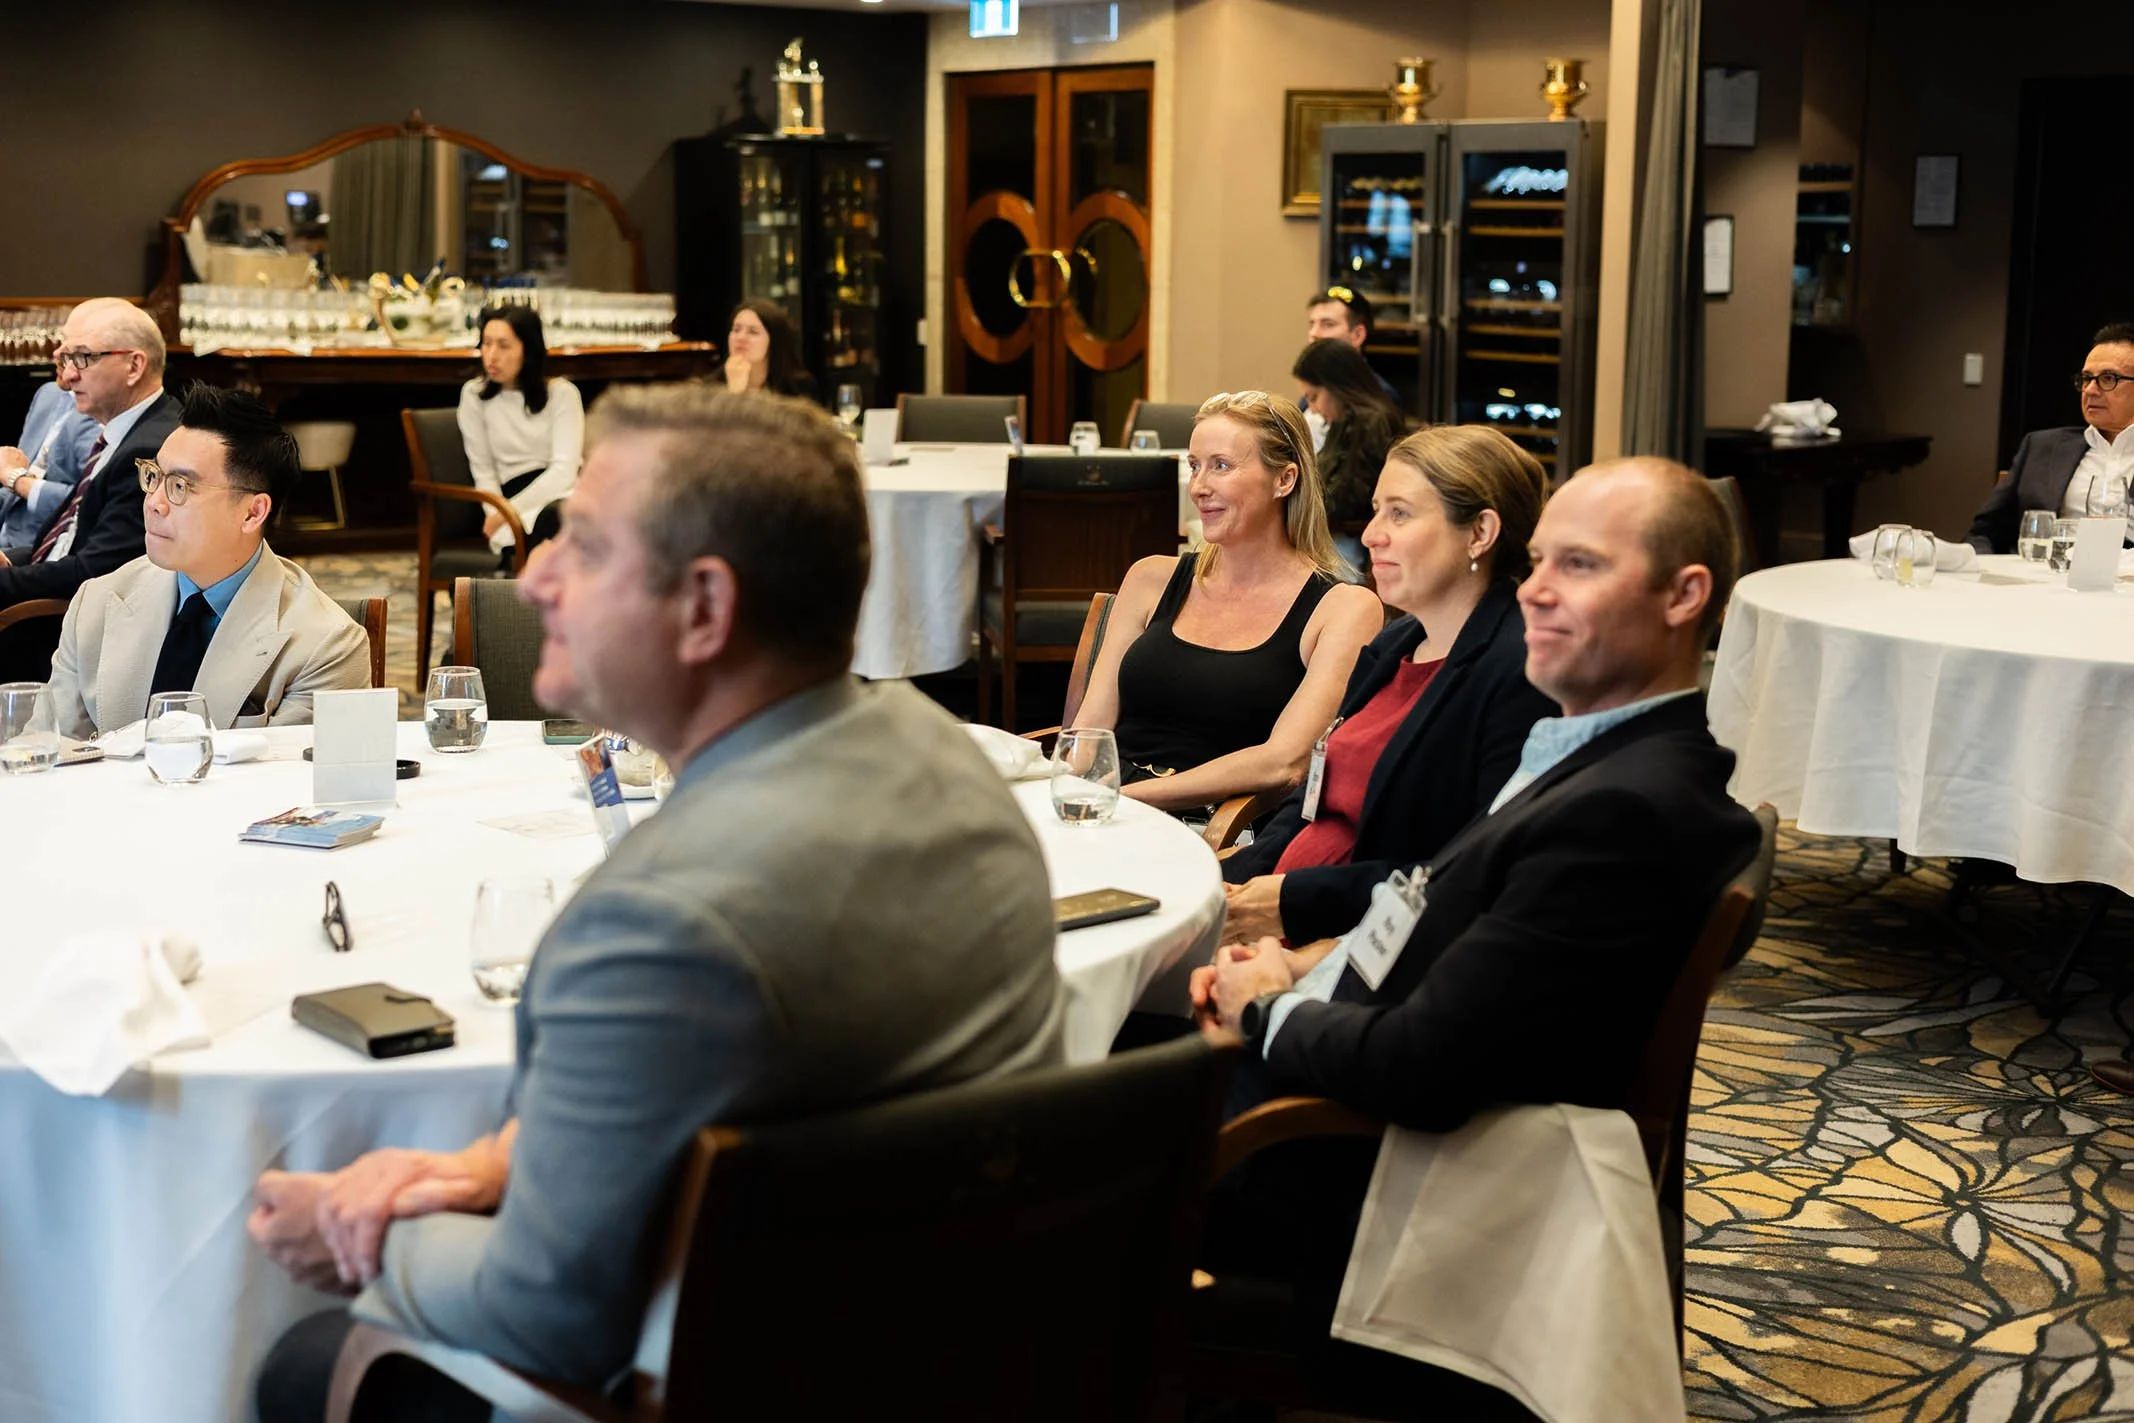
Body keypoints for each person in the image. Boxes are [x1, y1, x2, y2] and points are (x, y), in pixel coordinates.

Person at [248, 385, 1065, 1421]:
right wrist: (483, 1163)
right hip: (963, 1355)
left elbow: (549, 1316)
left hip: (768, 1374)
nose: (533, 573)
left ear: (706, 608)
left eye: (582, 546)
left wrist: (358, 1230)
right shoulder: (950, 764)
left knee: (302, 1352)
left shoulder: (656, 922)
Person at [1190, 457, 1761, 1416]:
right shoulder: (1595, 754)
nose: (1534, 590)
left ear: (1684, 594)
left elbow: (1423, 1065)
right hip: (1349, 1080)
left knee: (1046, 1124)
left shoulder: (1624, 810)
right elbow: (1447, 924)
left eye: (1578, 566)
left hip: (1358, 1170)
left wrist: (1269, 1008)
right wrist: (1308, 959)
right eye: (1538, 562)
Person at [1220, 425, 1559, 952]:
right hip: (1280, 916)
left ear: (1480, 533)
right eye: (1377, 511)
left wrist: (1293, 901)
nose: (1373, 534)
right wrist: (1233, 881)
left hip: (1365, 949)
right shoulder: (1396, 643)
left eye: (1399, 514)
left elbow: (1468, 870)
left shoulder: (1518, 671)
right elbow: (1314, 795)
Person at [1071, 391, 1384, 816]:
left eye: (1221, 466)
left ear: (1285, 480)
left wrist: (1128, 799)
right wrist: (1062, 801)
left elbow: (1284, 764)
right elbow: (1088, 737)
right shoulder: (1151, 579)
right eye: (1195, 465)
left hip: (1219, 828)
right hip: (1110, 811)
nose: (1199, 487)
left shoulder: (1342, 608)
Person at [40, 385, 370, 737]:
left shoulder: (327, 645)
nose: (154, 503)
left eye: (180, 487)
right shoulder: (96, 603)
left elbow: (284, 783)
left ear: (252, 512)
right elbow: (57, 751)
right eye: (154, 477)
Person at [0, 297, 182, 683]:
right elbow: (68, 539)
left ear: (134, 365)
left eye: (82, 358)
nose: (66, 377)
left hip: (63, 629)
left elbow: (96, 572)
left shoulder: (150, 448)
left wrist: (7, 578)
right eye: (64, 359)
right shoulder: (121, 433)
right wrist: (11, 560)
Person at [1967, 321, 2134, 552]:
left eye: (2108, 379)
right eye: (2086, 379)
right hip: (2040, 578)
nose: (2090, 390)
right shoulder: (2041, 447)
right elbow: (1984, 534)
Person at [457, 304, 584, 563]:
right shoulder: (474, 395)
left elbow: (564, 471)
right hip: (507, 497)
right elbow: (483, 471)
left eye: (504, 346)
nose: (491, 355)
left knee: (563, 517)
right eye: (486, 343)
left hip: (561, 494)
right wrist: (499, 512)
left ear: (527, 351)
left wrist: (508, 513)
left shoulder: (562, 394)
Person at [1293, 337, 1405, 529]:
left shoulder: (1373, 423)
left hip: (1353, 537)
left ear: (1337, 387)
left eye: (1315, 398)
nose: (1313, 408)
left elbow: (1349, 501)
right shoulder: (1341, 421)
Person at [0, 370, 99, 547]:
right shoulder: (49, 393)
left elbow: (88, 504)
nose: (57, 355)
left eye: (76, 353)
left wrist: (15, 479)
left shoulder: (101, 414)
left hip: (41, 548)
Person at [1304, 285, 1402, 406]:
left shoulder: (1379, 398)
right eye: (1312, 324)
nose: (1313, 333)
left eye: (1328, 324)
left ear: (1357, 335)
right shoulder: (1313, 388)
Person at [712, 298, 817, 401]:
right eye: (736, 330)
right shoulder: (709, 388)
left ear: (773, 341)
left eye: (753, 332)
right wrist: (735, 393)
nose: (740, 337)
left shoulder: (798, 388)